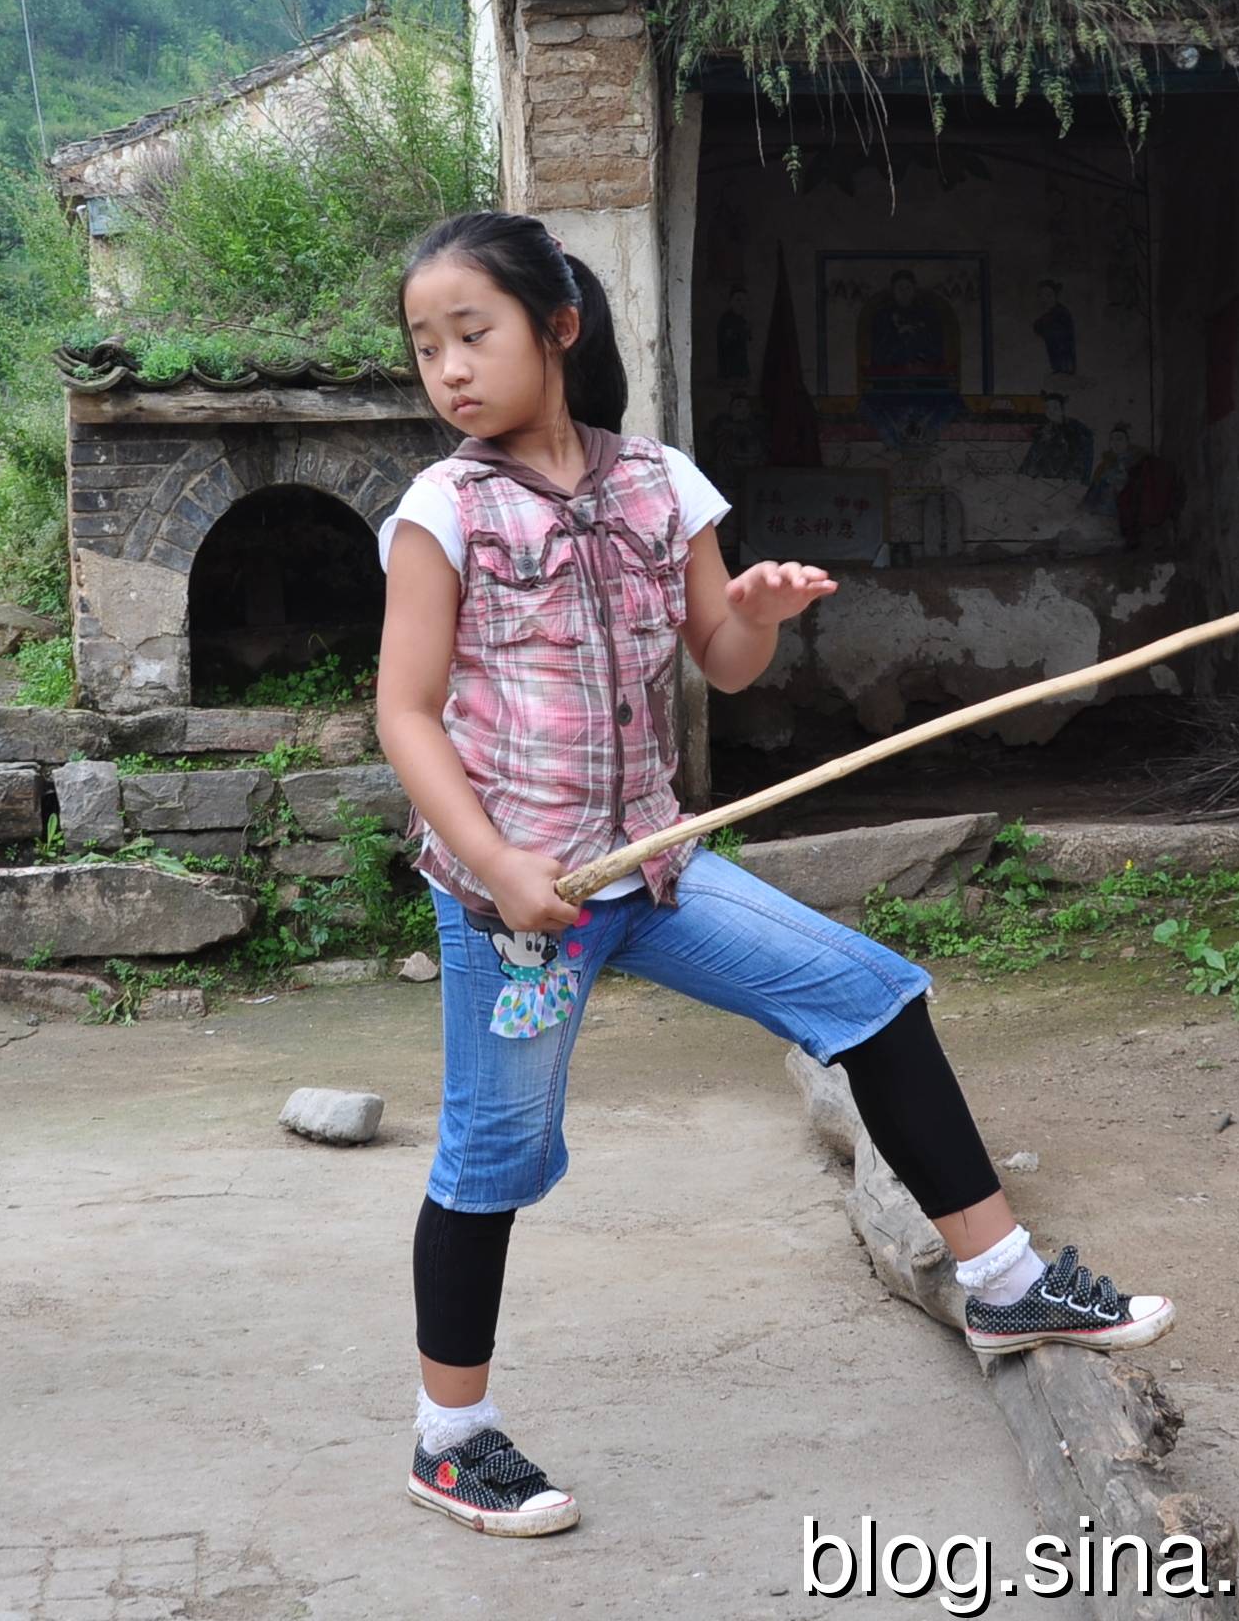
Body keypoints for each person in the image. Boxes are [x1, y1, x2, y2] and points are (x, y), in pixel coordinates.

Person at [376, 212, 1174, 1539]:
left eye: (475, 333)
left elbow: (722, 662)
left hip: (656, 871)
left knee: (871, 993)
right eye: (426, 347)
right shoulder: (440, 512)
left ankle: (1007, 1276)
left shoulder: (659, 487)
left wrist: (752, 613)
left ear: (558, 327)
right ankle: (449, 1435)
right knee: (491, 1156)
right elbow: (407, 715)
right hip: (518, 911)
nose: (449, 368)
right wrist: (500, 863)